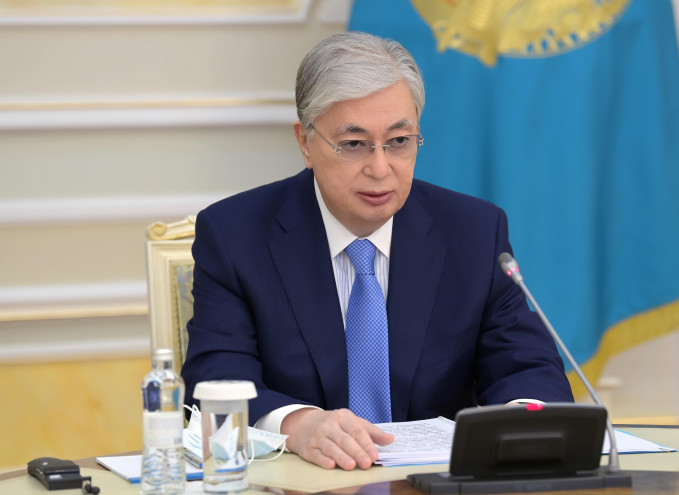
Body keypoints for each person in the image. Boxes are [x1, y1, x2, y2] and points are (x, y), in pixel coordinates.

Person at [181, 31, 574, 471]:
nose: (380, 168)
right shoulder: (236, 236)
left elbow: (526, 366)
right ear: (305, 143)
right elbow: (214, 381)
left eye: (399, 141)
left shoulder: (474, 232)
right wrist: (299, 425)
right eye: (354, 144)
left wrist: (520, 421)